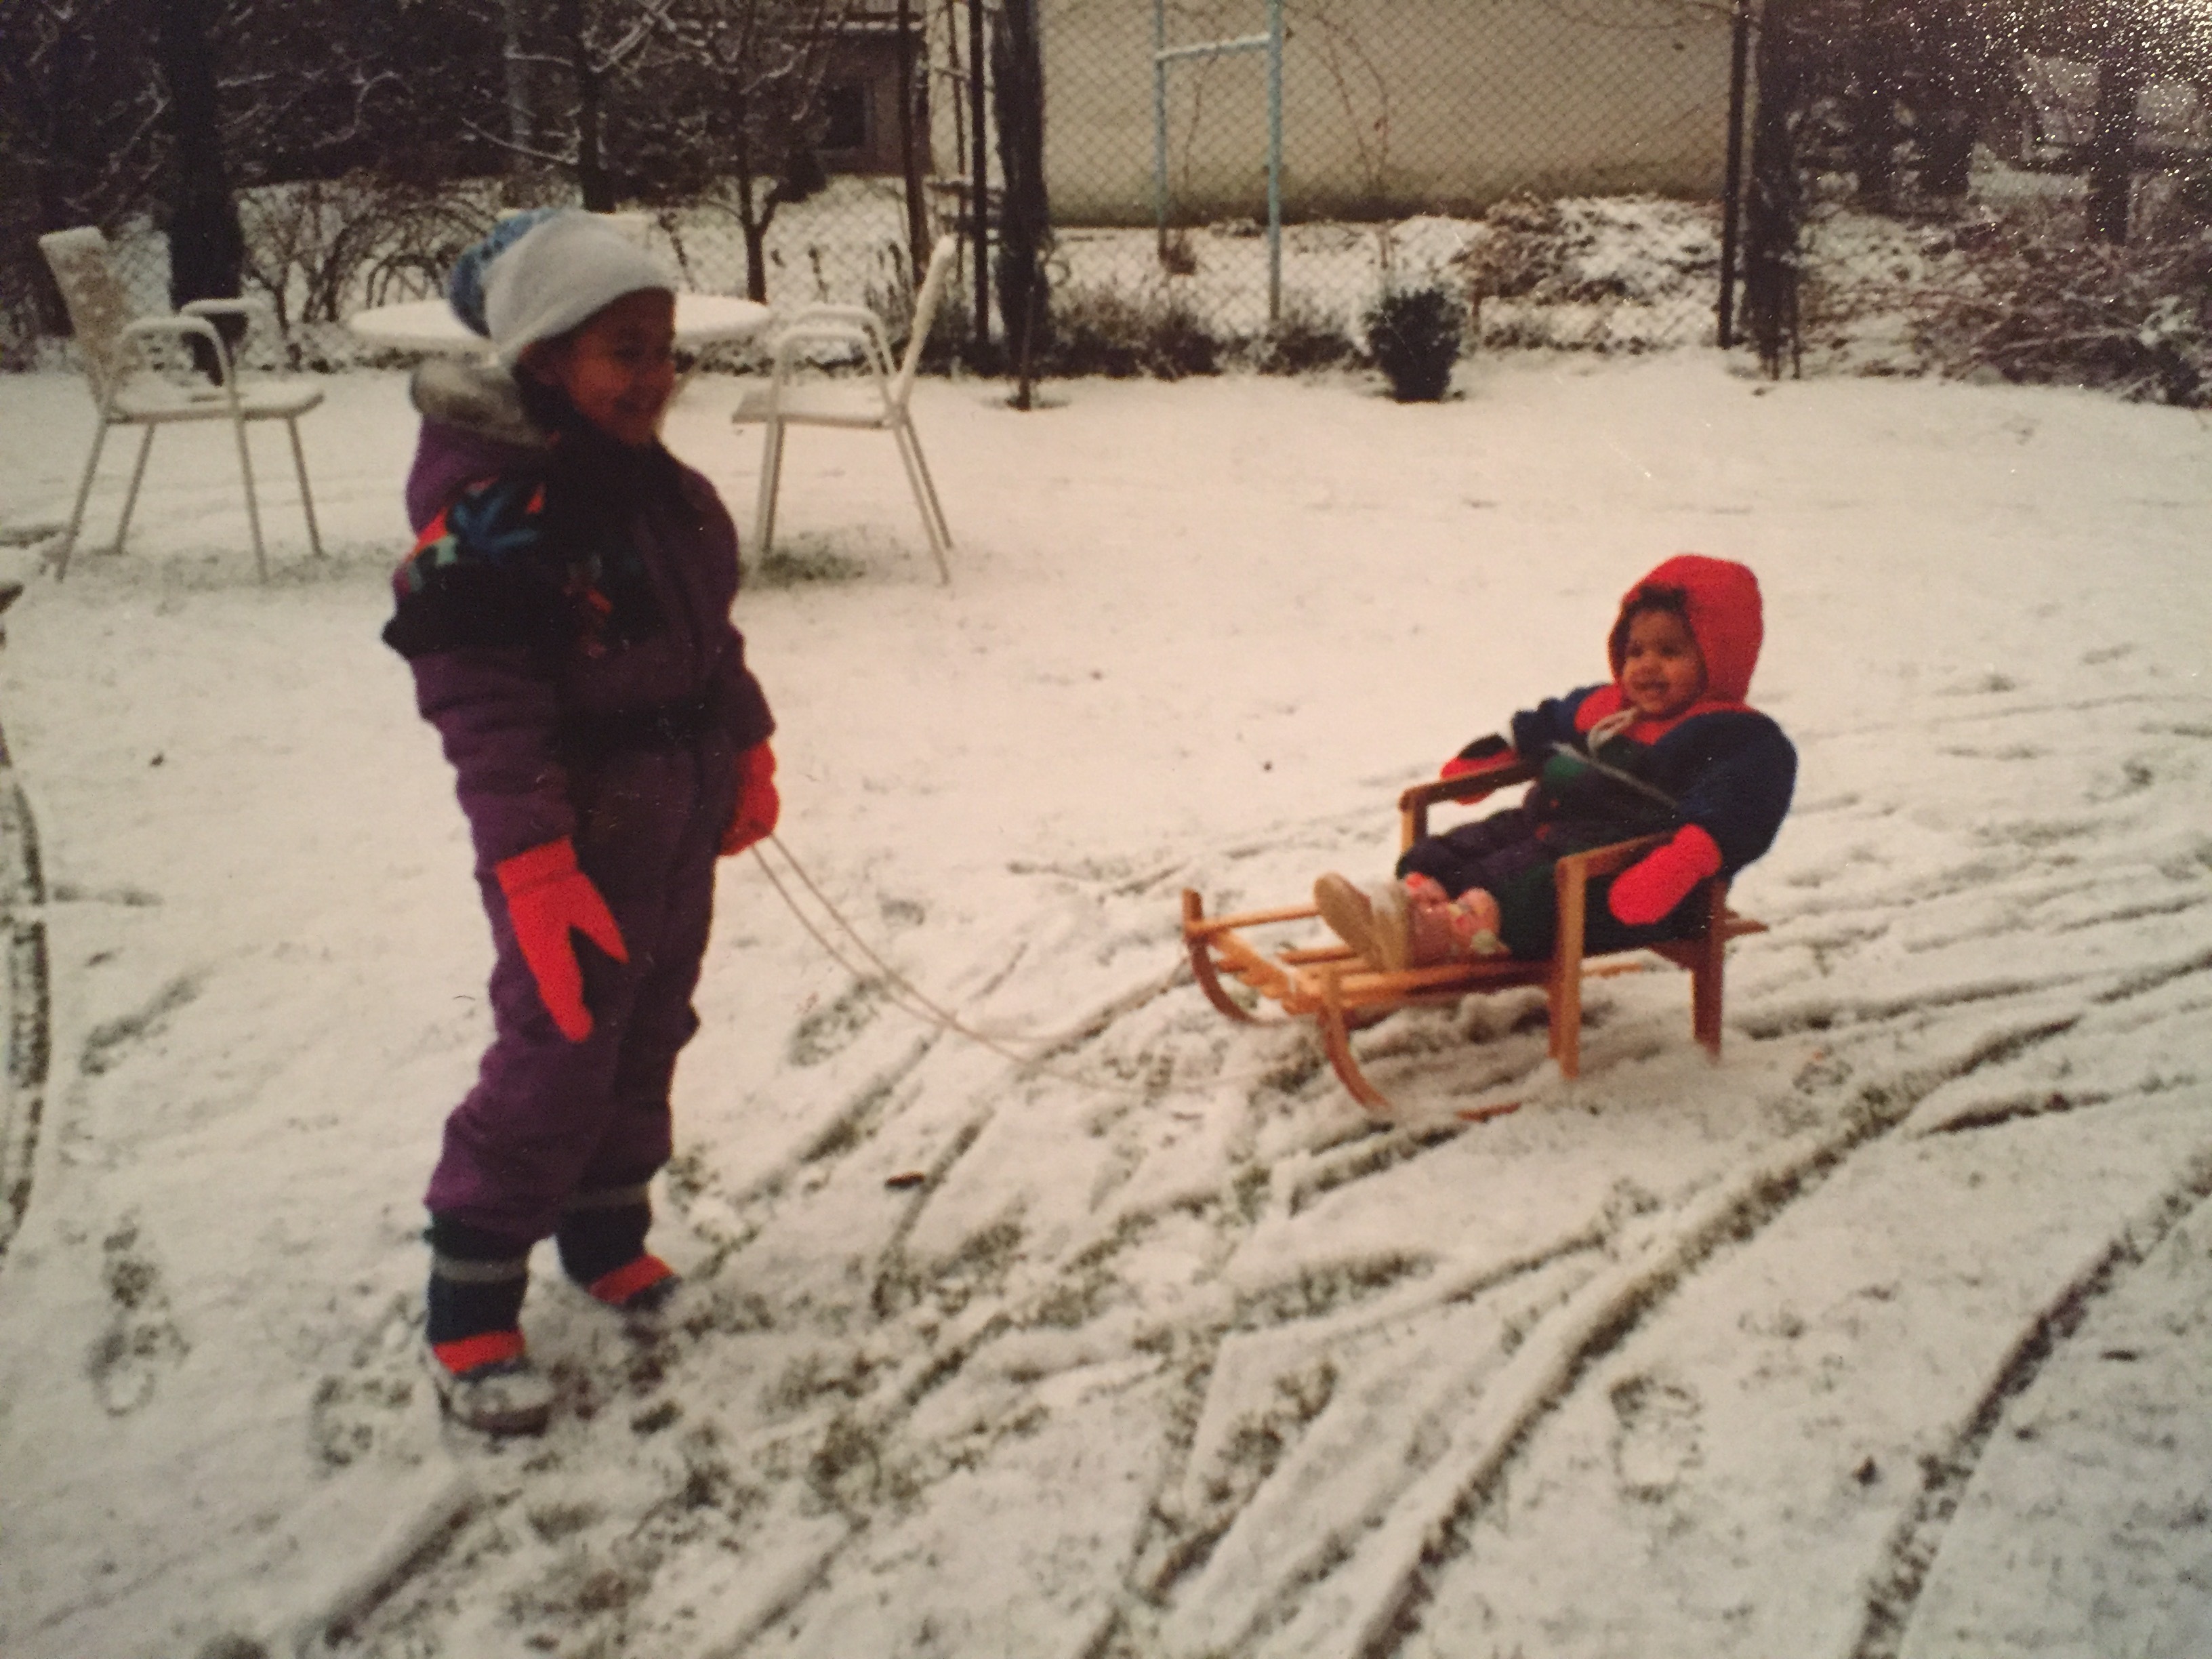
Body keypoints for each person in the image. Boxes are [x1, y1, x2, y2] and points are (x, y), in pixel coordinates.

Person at [382, 210, 779, 1434]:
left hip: (672, 812)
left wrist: (746, 740)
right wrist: (533, 860)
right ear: (547, 356)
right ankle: (470, 1298)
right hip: (570, 833)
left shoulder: (658, 488)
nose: (654, 375)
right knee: (557, 1046)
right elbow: (482, 705)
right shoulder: (495, 518)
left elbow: (708, 637)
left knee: (651, 1021)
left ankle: (605, 1234)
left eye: (664, 348)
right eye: (624, 350)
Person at [1315, 554, 1794, 970]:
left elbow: (1736, 817)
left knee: (1528, 890)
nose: (1647, 665)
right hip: (1545, 826)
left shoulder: (1734, 737)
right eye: (1635, 650)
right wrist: (1492, 755)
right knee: (1452, 850)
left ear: (1720, 657)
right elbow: (1540, 725)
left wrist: (1673, 869)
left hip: (1622, 871)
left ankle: (1433, 935)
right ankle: (1405, 910)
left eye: (1670, 652)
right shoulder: (1604, 705)